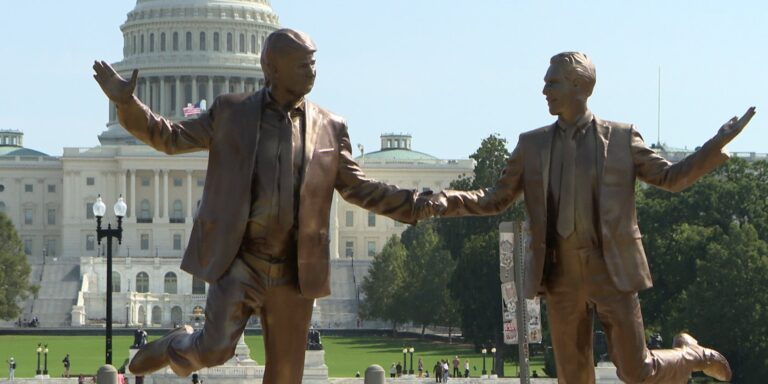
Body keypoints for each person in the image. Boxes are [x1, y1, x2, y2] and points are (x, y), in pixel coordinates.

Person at [93, 28, 432, 384]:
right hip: (242, 259)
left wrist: (426, 204)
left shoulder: (330, 127)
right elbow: (170, 137)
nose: (312, 72)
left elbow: (362, 188)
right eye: (302, 65)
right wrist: (127, 105)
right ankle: (176, 343)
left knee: (286, 377)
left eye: (313, 63)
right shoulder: (231, 113)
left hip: (294, 266)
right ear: (271, 67)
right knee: (214, 350)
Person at [427, 52, 755, 383]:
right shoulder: (532, 145)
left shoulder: (622, 138)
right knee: (573, 378)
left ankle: (692, 354)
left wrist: (714, 146)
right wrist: (445, 199)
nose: (544, 91)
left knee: (637, 371)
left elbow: (671, 178)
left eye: (552, 83)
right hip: (561, 276)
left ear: (579, 85)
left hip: (611, 270)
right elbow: (493, 198)